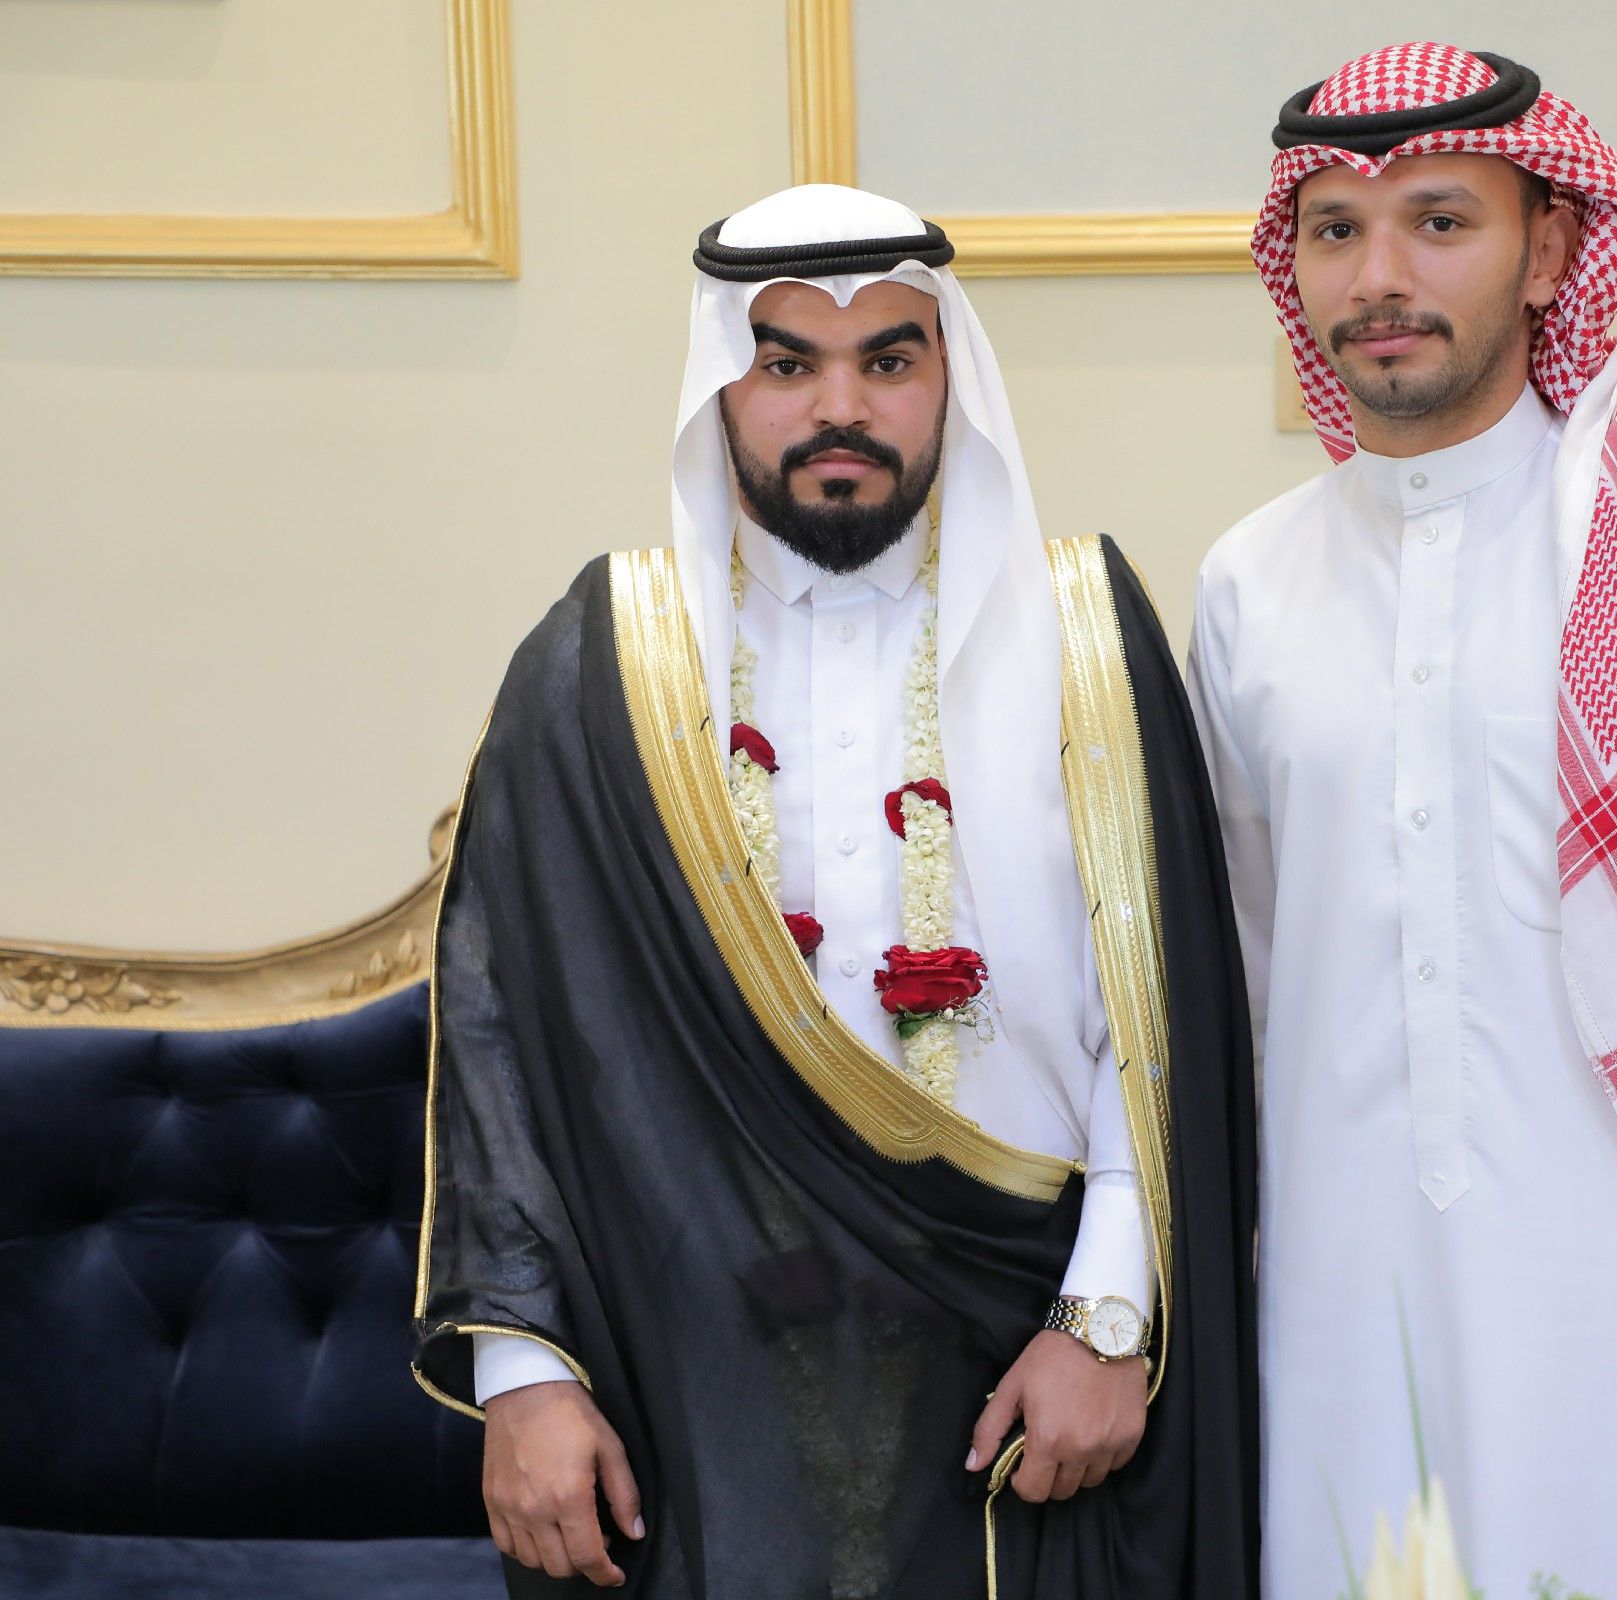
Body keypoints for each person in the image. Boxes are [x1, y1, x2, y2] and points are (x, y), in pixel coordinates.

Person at [412, 183, 1257, 1599]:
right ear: (720, 388)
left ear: (951, 379)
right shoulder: (602, 663)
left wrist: (1110, 1316)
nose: (840, 408)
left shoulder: (1084, 636)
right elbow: (495, 1029)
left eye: (889, 359)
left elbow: (1163, 1008)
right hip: (694, 1374)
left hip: (1030, 1355)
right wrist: (523, 1374)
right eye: (787, 362)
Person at [1189, 45, 1617, 1598]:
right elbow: (1244, 989)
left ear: (1553, 248)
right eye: (1335, 230)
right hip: (1340, 1332)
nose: (1380, 277)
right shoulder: (1249, 584)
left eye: (1440, 221)